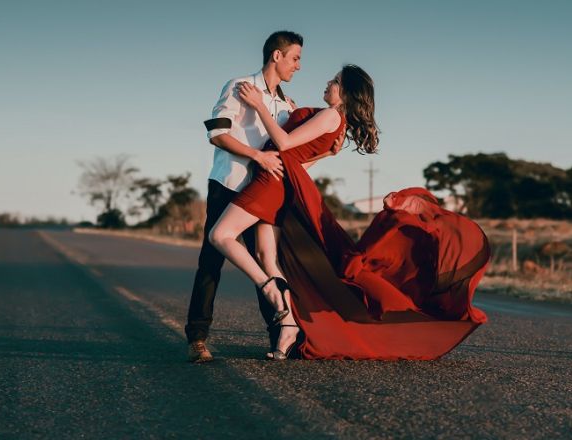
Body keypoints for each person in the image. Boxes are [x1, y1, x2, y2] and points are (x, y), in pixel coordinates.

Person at [211, 64, 492, 361]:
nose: (328, 83)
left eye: (335, 81)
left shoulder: (332, 114)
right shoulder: (336, 121)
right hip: (282, 182)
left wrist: (258, 105)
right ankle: (289, 325)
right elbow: (299, 162)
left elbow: (283, 144)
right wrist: (319, 148)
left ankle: (270, 290)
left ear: (345, 93)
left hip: (270, 181)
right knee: (266, 257)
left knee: (221, 235)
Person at [185, 30, 301, 363]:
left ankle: (279, 335)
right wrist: (257, 156)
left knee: (265, 260)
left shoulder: (285, 104)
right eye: (295, 58)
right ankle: (197, 338)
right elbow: (217, 134)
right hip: (230, 183)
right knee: (212, 259)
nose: (298, 66)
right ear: (276, 56)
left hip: (264, 192)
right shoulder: (239, 86)